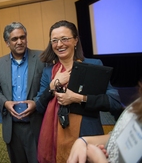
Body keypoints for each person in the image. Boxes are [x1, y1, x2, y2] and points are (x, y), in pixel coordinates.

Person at [35, 20, 123, 163]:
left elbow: (114, 102)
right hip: (54, 139)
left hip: (87, 137)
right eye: (54, 40)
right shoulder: (48, 72)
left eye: (64, 39)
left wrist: (78, 98)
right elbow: (39, 106)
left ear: (75, 40)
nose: (59, 45)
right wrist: (52, 85)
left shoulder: (93, 66)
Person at [0, 22, 45, 163]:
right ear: (7, 42)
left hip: (36, 125)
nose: (19, 42)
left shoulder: (41, 58)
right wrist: (5, 103)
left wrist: (36, 102)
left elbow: (48, 88)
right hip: (12, 127)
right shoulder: (0, 63)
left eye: (22, 37)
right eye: (14, 39)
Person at [67, 80, 142, 163]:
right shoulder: (138, 103)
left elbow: (114, 102)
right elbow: (119, 134)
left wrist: (99, 160)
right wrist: (84, 141)